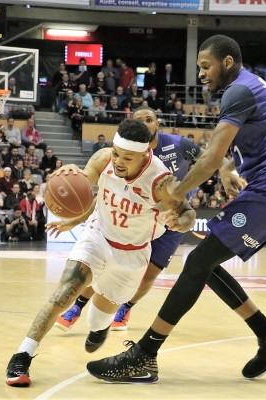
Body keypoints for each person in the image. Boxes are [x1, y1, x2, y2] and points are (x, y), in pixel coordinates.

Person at [86, 35, 266, 384]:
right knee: (207, 264)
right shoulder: (249, 89)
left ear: (227, 62)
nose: (201, 74)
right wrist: (230, 170)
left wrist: (173, 192)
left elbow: (210, 158)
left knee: (197, 262)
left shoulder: (238, 91)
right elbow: (227, 154)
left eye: (206, 66)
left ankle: (144, 355)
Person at [5, 118, 197, 387]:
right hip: (97, 236)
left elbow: (187, 213)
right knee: (65, 292)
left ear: (144, 155)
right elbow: (84, 191)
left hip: (132, 254)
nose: (118, 161)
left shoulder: (160, 182)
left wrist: (182, 221)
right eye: (117, 153)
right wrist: (70, 181)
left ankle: (99, 329)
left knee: (98, 319)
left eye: (127, 158)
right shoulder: (104, 158)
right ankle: (22, 354)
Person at [56, 106, 215, 332]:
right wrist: (75, 219)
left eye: (148, 119)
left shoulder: (180, 145)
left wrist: (199, 182)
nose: (143, 123)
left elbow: (209, 161)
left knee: (149, 274)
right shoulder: (126, 152)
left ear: (158, 123)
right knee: (105, 265)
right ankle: (78, 307)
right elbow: (103, 196)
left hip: (169, 219)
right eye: (138, 120)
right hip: (135, 217)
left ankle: (126, 307)